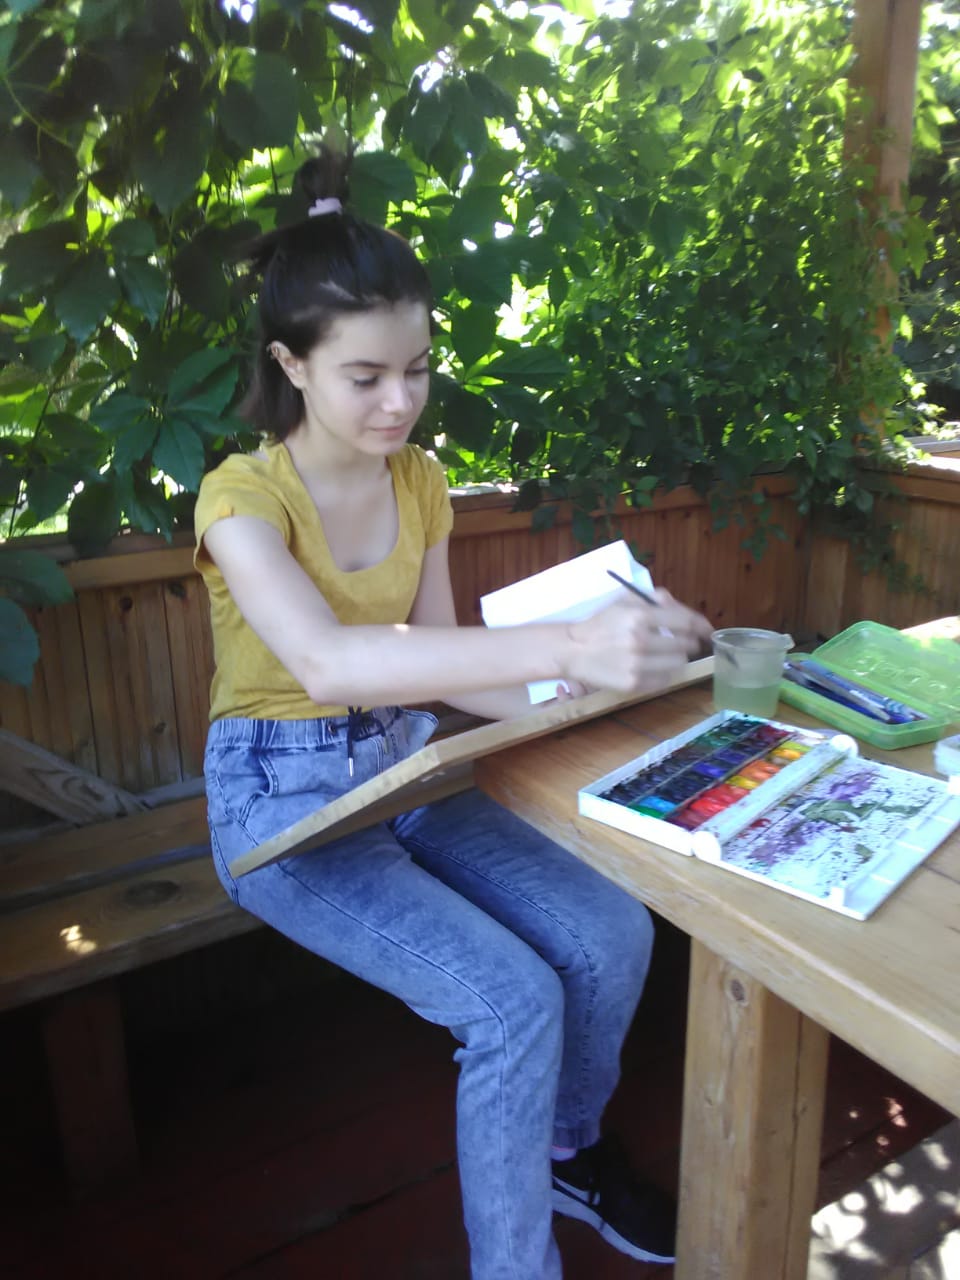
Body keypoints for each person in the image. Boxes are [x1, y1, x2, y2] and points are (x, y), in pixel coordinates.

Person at [194, 147, 713, 1279]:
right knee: (513, 1001)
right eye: (366, 375)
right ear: (292, 363)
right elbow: (330, 662)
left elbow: (440, 667)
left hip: (410, 766)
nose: (400, 400)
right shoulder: (241, 495)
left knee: (613, 931)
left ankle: (566, 1150)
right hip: (281, 805)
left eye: (418, 369)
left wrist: (610, 670)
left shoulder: (420, 480)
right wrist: (566, 643)